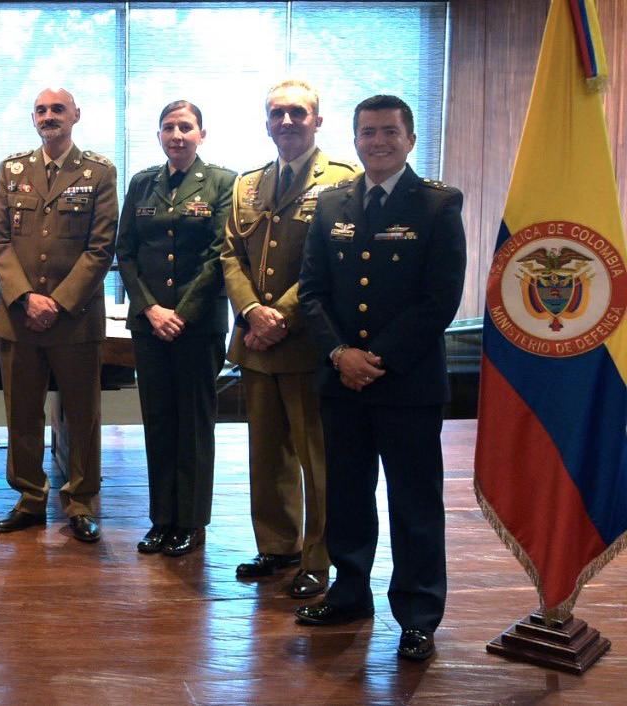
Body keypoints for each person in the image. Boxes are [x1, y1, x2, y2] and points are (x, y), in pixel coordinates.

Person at [294, 95, 465, 663]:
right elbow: (313, 292)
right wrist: (341, 353)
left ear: (410, 139)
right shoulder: (331, 203)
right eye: (367, 133)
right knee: (346, 494)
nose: (378, 142)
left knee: (414, 501)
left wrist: (378, 358)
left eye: (389, 132)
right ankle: (348, 592)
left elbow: (439, 300)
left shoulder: (438, 205)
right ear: (355, 139)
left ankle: (417, 615)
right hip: (341, 381)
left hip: (408, 384)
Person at [222, 80, 360, 599]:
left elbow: (331, 263)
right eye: (277, 113)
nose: (286, 122)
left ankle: (316, 558)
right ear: (266, 122)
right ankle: (276, 545)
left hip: (305, 344)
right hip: (258, 344)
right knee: (266, 454)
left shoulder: (343, 180)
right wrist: (251, 311)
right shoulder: (248, 184)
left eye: (297, 113)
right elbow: (229, 254)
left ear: (318, 120)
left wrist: (278, 314)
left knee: (315, 458)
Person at [0, 88, 117, 543]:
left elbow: (101, 247)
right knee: (22, 414)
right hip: (19, 316)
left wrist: (57, 302)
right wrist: (25, 297)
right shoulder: (12, 169)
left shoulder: (99, 172)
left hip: (75, 318)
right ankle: (29, 498)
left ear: (76, 115)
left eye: (57, 109)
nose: (48, 116)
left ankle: (81, 501)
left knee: (82, 415)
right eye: (41, 110)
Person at [115, 100, 234, 557]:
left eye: (186, 127)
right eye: (169, 127)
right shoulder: (143, 182)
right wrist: (150, 309)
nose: (177, 135)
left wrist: (180, 312)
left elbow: (220, 253)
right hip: (150, 326)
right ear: (159, 134)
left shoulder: (223, 182)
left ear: (202, 133)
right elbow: (125, 253)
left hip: (197, 324)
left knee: (194, 425)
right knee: (159, 422)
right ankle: (162, 518)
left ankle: (191, 521)